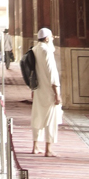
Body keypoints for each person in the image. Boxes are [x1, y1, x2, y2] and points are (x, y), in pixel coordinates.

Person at [30, 28, 62, 156]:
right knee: (51, 119)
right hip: (49, 90)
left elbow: (31, 72)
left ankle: (35, 146)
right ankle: (48, 149)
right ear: (47, 38)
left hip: (38, 89)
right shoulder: (46, 51)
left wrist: (32, 89)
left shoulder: (34, 49)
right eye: (52, 37)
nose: (53, 39)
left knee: (37, 116)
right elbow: (52, 73)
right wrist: (57, 93)